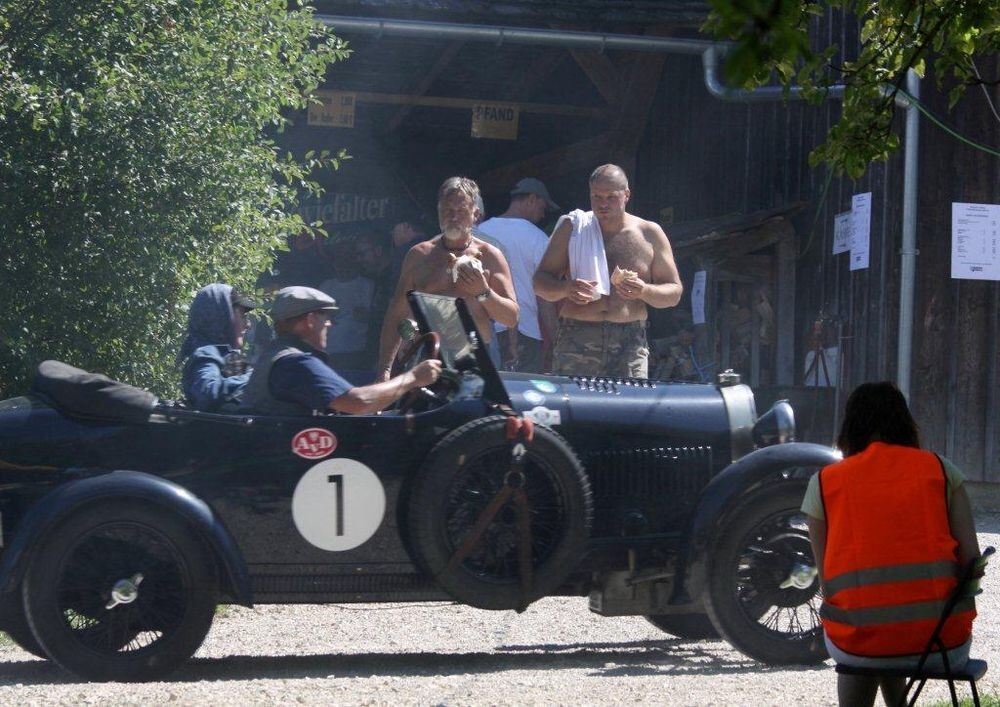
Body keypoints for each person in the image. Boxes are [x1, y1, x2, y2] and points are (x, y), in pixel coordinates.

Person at [802, 382, 981, 707]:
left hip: (857, 641)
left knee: (871, 646)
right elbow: (972, 561)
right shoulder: (941, 471)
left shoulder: (824, 483)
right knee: (889, 642)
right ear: (906, 424)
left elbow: (828, 584)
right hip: (941, 643)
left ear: (849, 428)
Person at [533, 164, 682, 379]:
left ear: (626, 195)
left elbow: (674, 293)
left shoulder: (649, 233)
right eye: (597, 197)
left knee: (630, 400)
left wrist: (643, 291)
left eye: (611, 197)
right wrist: (566, 289)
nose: (603, 204)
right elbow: (540, 282)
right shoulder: (573, 228)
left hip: (629, 339)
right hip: (577, 334)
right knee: (574, 400)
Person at [375, 177, 518, 382]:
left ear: (475, 214)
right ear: (438, 211)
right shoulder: (419, 256)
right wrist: (385, 370)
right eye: (447, 210)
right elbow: (396, 314)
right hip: (428, 357)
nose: (454, 217)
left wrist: (483, 292)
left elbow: (511, 318)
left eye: (461, 211)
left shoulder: (490, 256)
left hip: (476, 357)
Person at [240, 286, 441, 415]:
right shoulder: (296, 363)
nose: (329, 324)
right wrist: (413, 377)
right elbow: (359, 402)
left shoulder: (276, 355)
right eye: (325, 317)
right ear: (310, 320)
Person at [478, 177, 559, 373]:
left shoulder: (480, 232)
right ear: (532, 199)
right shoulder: (537, 238)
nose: (543, 215)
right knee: (524, 391)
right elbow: (545, 297)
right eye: (543, 207)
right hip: (524, 333)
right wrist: (556, 340)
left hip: (484, 331)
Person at [178, 283, 257, 411]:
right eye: (242, 316)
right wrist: (254, 380)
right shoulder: (207, 353)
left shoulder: (230, 356)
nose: (247, 324)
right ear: (223, 317)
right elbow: (207, 392)